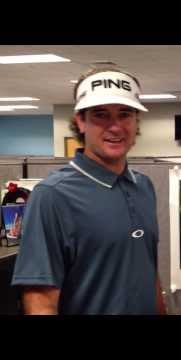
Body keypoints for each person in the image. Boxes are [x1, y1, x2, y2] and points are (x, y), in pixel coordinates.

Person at [11, 67, 167, 315]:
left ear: (136, 121)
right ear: (80, 122)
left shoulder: (144, 185)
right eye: (101, 115)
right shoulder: (52, 195)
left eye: (125, 114)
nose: (115, 127)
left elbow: (148, 271)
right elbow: (40, 300)